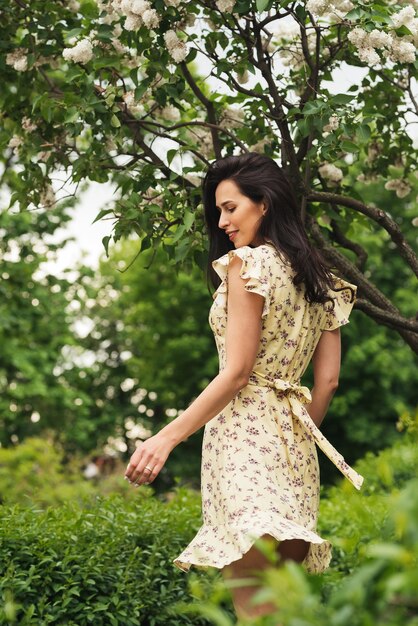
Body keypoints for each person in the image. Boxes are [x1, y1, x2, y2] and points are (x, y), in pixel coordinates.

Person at [124, 152, 364, 621]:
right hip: (296, 448)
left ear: (265, 203)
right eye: (219, 210)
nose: (223, 220)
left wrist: (165, 438)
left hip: (240, 444)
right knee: (282, 609)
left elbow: (236, 373)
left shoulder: (246, 265)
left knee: (254, 610)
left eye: (230, 207)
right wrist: (294, 433)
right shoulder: (320, 278)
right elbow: (329, 381)